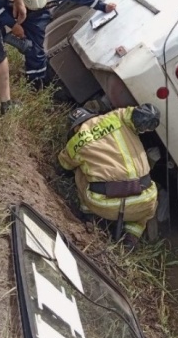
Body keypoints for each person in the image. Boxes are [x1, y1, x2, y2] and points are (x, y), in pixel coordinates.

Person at [0, 0, 117, 89]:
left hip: (38, 15)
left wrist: (103, 6)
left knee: (35, 49)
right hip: (8, 9)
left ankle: (35, 83)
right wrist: (13, 25)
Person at [57, 104, 161, 249]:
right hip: (144, 201)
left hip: (104, 205)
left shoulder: (75, 142)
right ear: (92, 115)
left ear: (74, 128)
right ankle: (132, 236)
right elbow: (139, 115)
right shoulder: (116, 117)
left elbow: (64, 166)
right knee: (148, 204)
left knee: (80, 170)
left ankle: (88, 214)